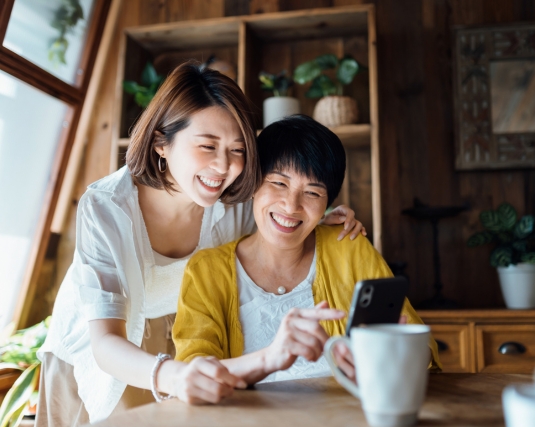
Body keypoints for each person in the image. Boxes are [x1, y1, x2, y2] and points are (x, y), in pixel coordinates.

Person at [36, 63, 364, 426]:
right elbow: (105, 342)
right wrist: (172, 375)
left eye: (237, 149)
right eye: (207, 146)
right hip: (100, 352)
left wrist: (324, 216)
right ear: (162, 142)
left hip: (181, 348)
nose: (223, 167)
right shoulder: (105, 207)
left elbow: (283, 212)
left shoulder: (233, 202)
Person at [173, 115, 441, 384]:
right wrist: (268, 357)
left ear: (327, 202)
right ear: (253, 183)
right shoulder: (206, 271)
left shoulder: (348, 248)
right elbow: (192, 373)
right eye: (279, 183)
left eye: (312, 193)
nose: (291, 206)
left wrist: (395, 354)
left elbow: (421, 345)